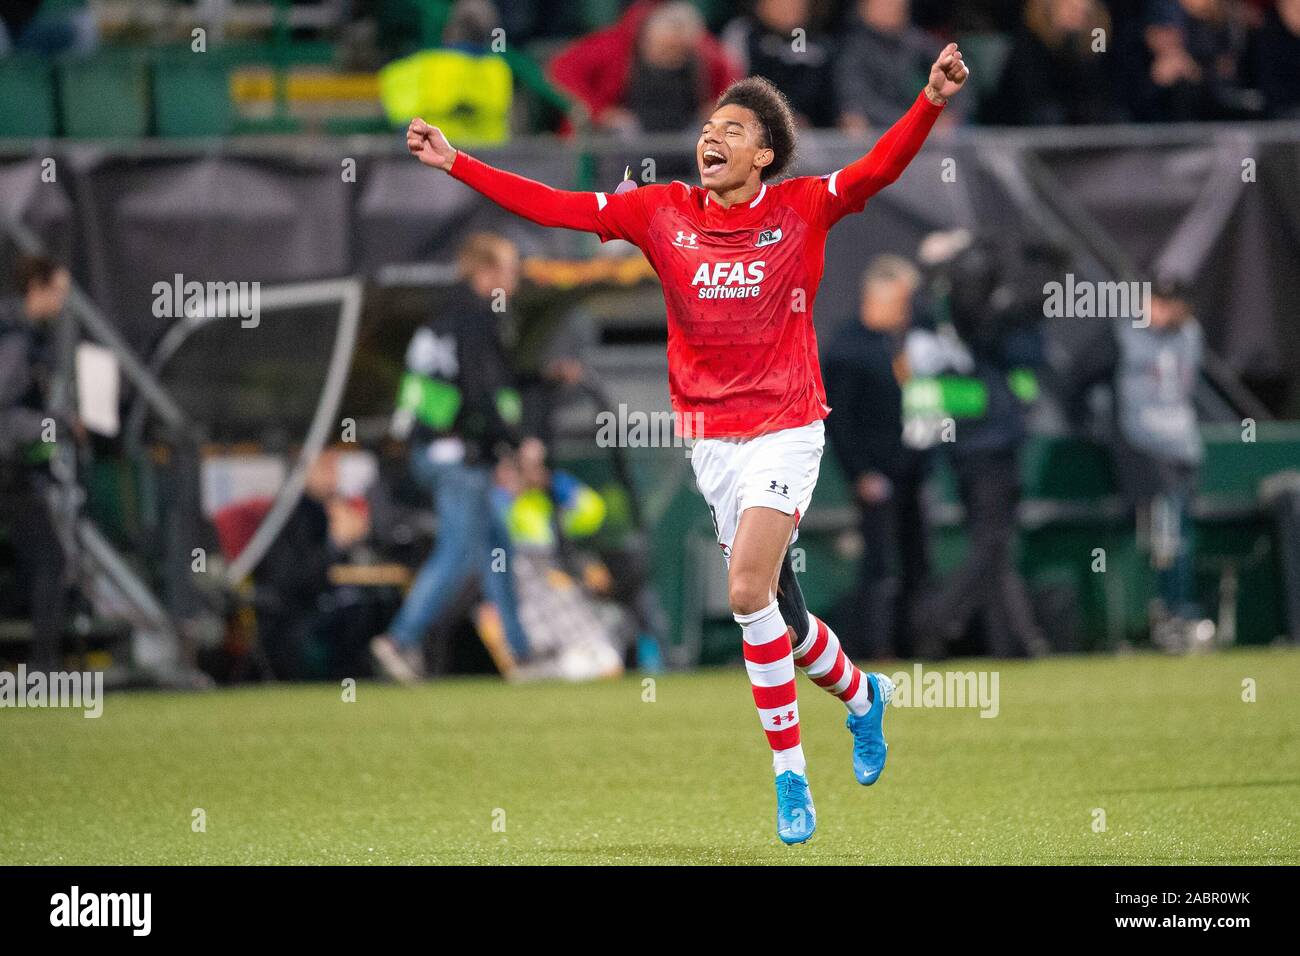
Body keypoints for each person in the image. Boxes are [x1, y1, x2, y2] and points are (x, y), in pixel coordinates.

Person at [405, 42, 970, 844]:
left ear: (764, 154)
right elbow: (555, 207)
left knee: (744, 593)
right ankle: (863, 698)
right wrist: (458, 161)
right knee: (789, 621)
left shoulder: (802, 206)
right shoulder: (659, 210)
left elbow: (878, 169)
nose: (713, 136)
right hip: (713, 441)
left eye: (733, 129)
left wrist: (930, 98)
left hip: (786, 426)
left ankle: (790, 778)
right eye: (711, 125)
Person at [370, 233, 533, 683]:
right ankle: (398, 639)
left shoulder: (441, 318)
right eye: (508, 270)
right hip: (456, 454)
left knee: (496, 544)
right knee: (459, 551)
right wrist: (515, 443)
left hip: (429, 449)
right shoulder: (477, 319)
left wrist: (543, 381)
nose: (514, 280)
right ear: (485, 273)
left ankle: (520, 653)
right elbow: (483, 393)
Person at [1057, 276, 1209, 650]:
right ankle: (1171, 612)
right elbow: (1075, 379)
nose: (1164, 311)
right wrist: (1089, 428)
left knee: (1179, 532)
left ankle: (1176, 610)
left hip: (1182, 446)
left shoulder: (1189, 334)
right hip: (1142, 446)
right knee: (1166, 530)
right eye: (1158, 301)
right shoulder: (1122, 335)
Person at [824, 255, 930, 660]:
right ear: (877, 296)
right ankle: (875, 646)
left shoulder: (902, 341)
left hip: (911, 471)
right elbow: (840, 422)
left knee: (916, 560)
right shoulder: (848, 348)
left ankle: (915, 642)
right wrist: (860, 472)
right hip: (875, 474)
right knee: (879, 565)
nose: (905, 310)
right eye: (899, 301)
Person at [0, 255, 73, 672]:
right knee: (49, 561)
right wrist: (55, 426)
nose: (62, 302)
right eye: (58, 291)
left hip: (13, 467)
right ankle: (44, 669)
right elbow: (6, 411)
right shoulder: (18, 341)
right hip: (7, 470)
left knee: (40, 561)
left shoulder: (19, 334)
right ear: (38, 288)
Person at [548, 0, 739, 134]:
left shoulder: (705, 51)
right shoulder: (613, 47)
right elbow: (560, 71)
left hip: (684, 134)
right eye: (665, 49)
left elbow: (731, 77)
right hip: (624, 135)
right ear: (645, 39)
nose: (672, 57)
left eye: (679, 52)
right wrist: (600, 112)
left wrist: (717, 107)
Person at [721, 0, 837, 128]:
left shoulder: (821, 46)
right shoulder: (742, 35)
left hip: (815, 139)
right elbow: (731, 89)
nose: (791, 6)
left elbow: (833, 104)